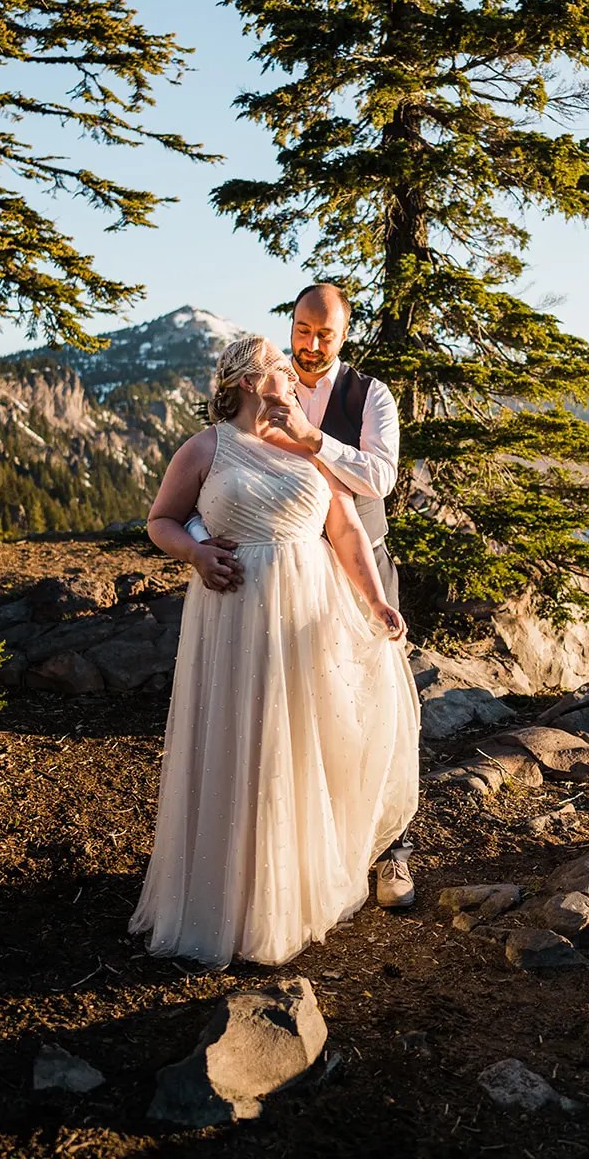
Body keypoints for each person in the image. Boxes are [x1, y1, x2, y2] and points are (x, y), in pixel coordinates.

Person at [129, 334, 420, 968]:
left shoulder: (308, 446)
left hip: (307, 612)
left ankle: (292, 890)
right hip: (233, 613)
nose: (292, 376)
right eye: (279, 369)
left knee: (298, 741)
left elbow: (343, 530)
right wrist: (196, 553)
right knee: (244, 741)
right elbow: (161, 520)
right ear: (246, 383)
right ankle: (226, 896)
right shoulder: (205, 448)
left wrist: (374, 601)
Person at [187, 282, 416, 910]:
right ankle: (296, 851)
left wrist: (313, 440)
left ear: (345, 334)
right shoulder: (264, 375)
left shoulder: (369, 395)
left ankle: (388, 851)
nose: (311, 345)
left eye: (326, 334)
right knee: (295, 716)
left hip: (358, 557)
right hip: (275, 577)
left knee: (370, 704)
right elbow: (213, 484)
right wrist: (205, 539)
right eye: (303, 330)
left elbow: (379, 478)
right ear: (291, 325)